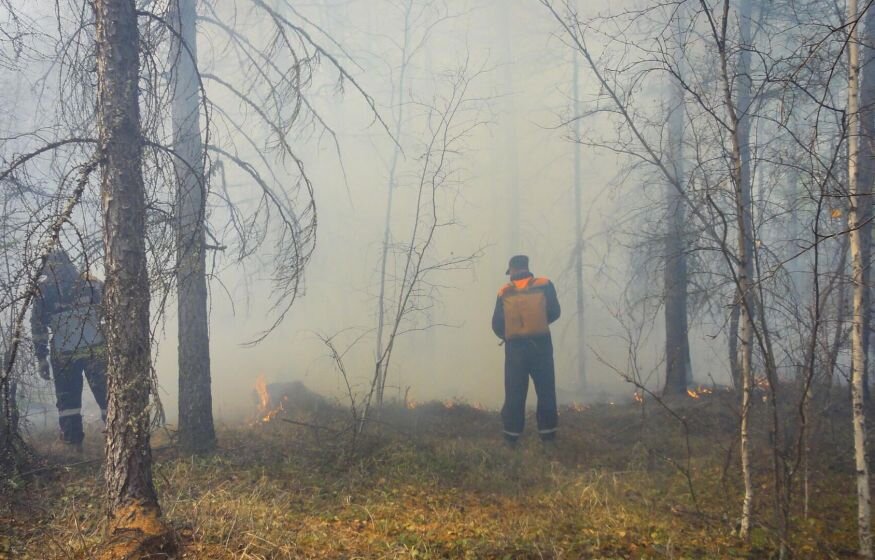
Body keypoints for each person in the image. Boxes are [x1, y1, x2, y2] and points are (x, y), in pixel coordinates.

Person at [31, 249, 108, 448]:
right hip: (91, 352)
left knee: (72, 404)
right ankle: (113, 441)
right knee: (96, 400)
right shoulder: (91, 283)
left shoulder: (44, 291)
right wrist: (41, 358)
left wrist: (42, 358)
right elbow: (110, 311)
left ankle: (77, 445)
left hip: (71, 355)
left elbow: (38, 328)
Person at [491, 255, 561, 445]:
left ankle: (511, 438)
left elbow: (496, 324)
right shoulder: (545, 284)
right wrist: (537, 324)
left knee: (515, 393)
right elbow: (555, 312)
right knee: (545, 391)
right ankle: (548, 437)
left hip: (515, 351)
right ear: (527, 267)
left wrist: (509, 335)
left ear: (512, 270)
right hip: (541, 346)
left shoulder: (504, 291)